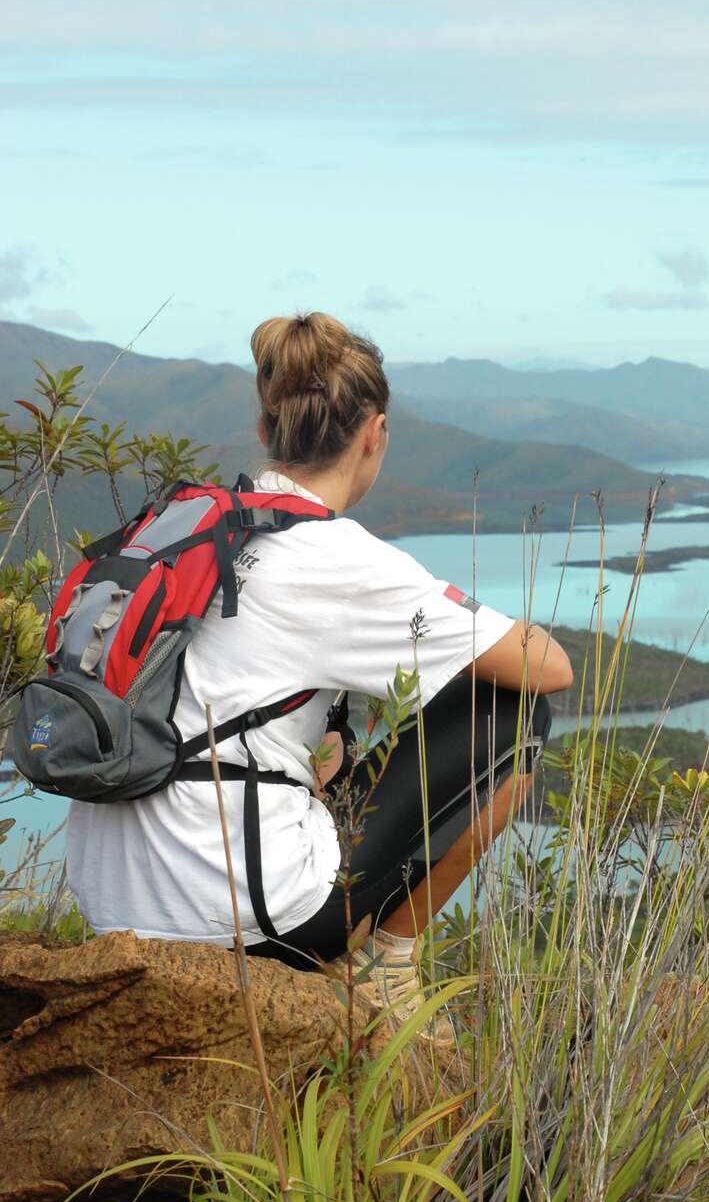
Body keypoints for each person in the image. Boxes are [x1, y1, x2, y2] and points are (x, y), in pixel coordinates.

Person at [66, 311, 573, 1020]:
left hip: (109, 903)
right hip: (245, 921)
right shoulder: (333, 555)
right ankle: (386, 962)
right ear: (374, 435)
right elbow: (548, 667)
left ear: (267, 429)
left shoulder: (187, 526)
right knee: (516, 714)